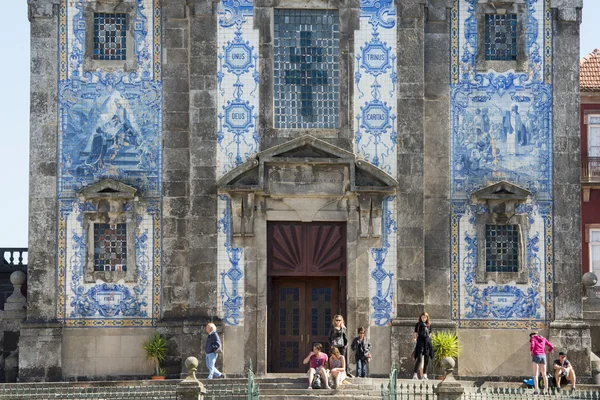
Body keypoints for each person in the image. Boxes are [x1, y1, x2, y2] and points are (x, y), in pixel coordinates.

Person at [412, 312, 433, 380]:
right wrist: (415, 338)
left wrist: (429, 339)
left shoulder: (429, 325)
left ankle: (425, 374)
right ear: (421, 317)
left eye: (425, 317)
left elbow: (430, 333)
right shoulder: (418, 324)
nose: (424, 318)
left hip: (427, 342)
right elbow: (415, 333)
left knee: (426, 359)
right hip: (420, 342)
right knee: (419, 358)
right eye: (422, 317)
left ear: (427, 318)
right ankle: (415, 374)